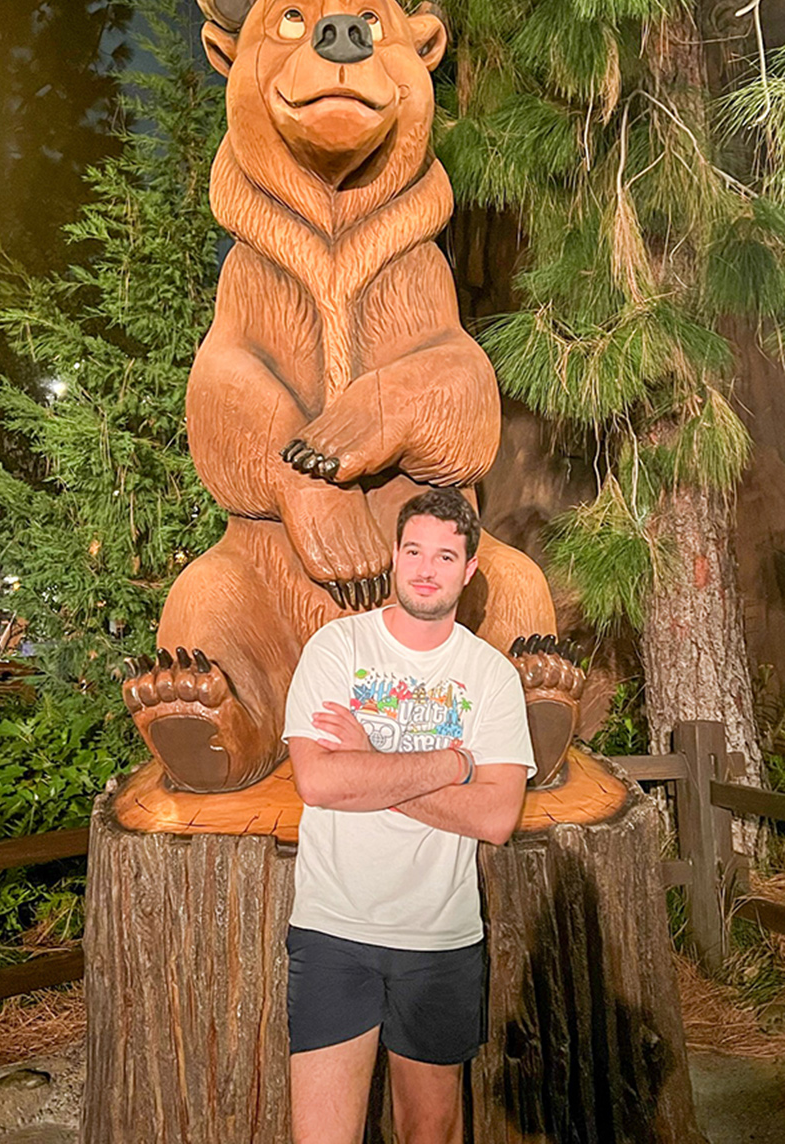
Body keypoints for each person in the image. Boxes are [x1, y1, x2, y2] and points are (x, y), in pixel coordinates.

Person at [283, 487, 535, 1144]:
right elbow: (319, 779)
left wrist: (371, 759)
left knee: (432, 1131)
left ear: (469, 569)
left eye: (445, 556)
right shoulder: (335, 650)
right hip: (333, 929)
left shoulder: (490, 677)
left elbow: (497, 816)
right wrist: (452, 764)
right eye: (415, 550)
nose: (426, 568)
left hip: (440, 938)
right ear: (394, 555)